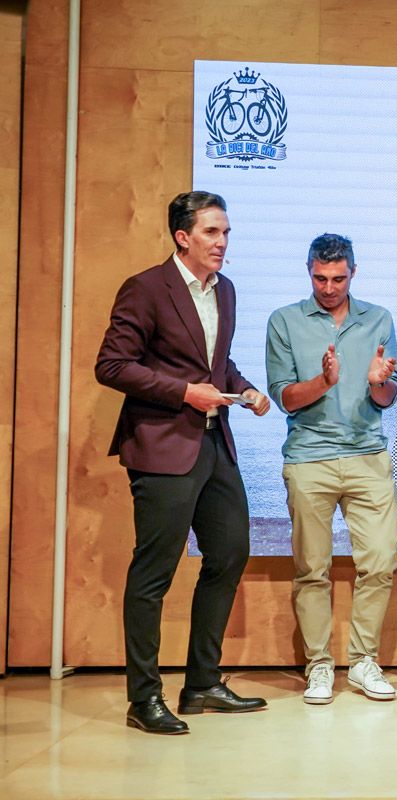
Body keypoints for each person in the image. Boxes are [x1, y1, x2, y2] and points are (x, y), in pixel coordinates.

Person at [95, 191, 270, 735]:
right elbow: (112, 365)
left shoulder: (226, 289)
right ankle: (144, 698)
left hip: (215, 445)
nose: (222, 242)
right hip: (162, 446)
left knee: (230, 553)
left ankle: (202, 684)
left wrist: (244, 389)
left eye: (226, 232)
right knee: (154, 572)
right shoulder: (147, 288)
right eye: (212, 232)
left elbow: (216, 362)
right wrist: (183, 393)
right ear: (182, 236)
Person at [264, 233, 397, 705]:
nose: (328, 287)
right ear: (309, 271)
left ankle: (363, 662)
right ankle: (319, 666)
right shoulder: (284, 320)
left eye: (338, 278)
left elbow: (388, 396)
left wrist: (379, 383)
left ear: (353, 273)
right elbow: (285, 397)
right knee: (312, 569)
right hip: (309, 458)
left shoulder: (378, 318)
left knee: (380, 561)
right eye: (320, 278)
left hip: (368, 456)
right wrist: (324, 381)